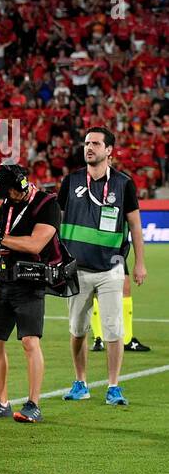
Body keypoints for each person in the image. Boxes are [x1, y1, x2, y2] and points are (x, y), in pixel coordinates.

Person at [0, 162, 61, 423]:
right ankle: (1, 402)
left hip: (31, 281)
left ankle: (33, 404)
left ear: (21, 185)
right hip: (5, 279)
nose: (6, 195)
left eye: (9, 190)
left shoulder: (47, 204)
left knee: (30, 341)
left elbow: (36, 243)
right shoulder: (8, 203)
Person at [58, 127, 147, 406]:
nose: (89, 147)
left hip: (110, 269)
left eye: (96, 143)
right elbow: (55, 221)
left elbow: (135, 225)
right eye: (86, 143)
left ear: (109, 150)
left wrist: (140, 263)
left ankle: (113, 386)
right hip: (76, 269)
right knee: (77, 330)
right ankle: (80, 382)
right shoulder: (71, 181)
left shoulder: (123, 183)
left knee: (113, 330)